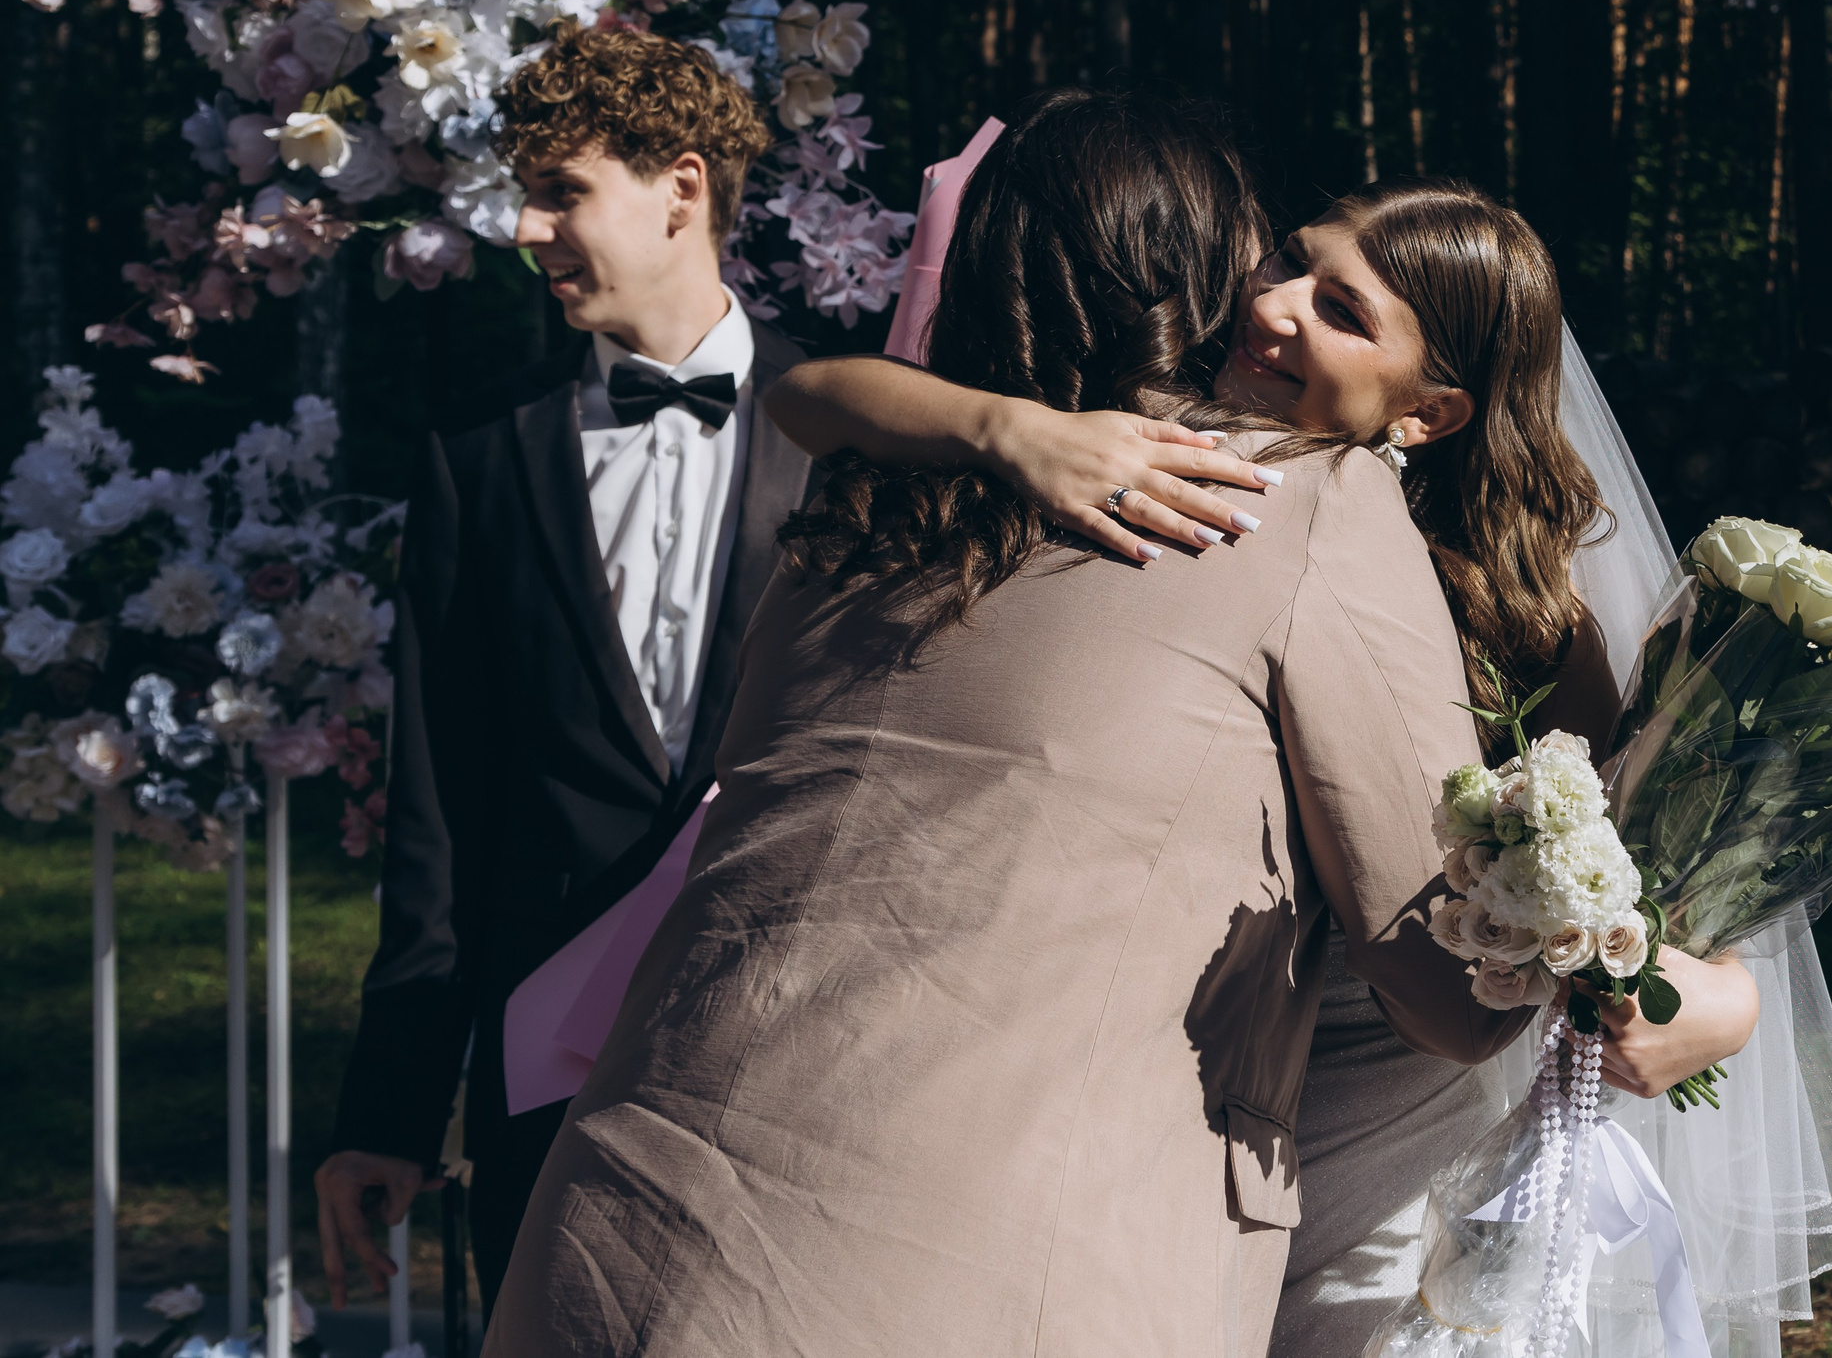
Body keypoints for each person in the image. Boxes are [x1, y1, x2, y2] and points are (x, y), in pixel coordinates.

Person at [483, 88, 1567, 1356]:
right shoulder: (1293, 498)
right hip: (991, 1268)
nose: (1271, 304)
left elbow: (813, 400)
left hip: (614, 1238)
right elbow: (1446, 985)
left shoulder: (852, 515)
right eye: (1271, 259)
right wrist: (1619, 961)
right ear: (1197, 276)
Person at [764, 174, 1832, 1353]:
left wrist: (1722, 994)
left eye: (1342, 312)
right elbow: (802, 390)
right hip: (1168, 1094)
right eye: (1288, 264)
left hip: (1381, 1111)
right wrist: (1014, 428)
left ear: (1430, 412)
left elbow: (1628, 862)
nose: (1276, 305)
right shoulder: (1152, 452)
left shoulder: (1526, 631)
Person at [312, 28, 816, 1312]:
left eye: (562, 191)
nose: (527, 229)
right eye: (524, 195)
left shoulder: (854, 429)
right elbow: (439, 808)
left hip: (799, 1067)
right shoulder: (479, 459)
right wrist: (391, 1109)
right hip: (550, 1076)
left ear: (682, 188)